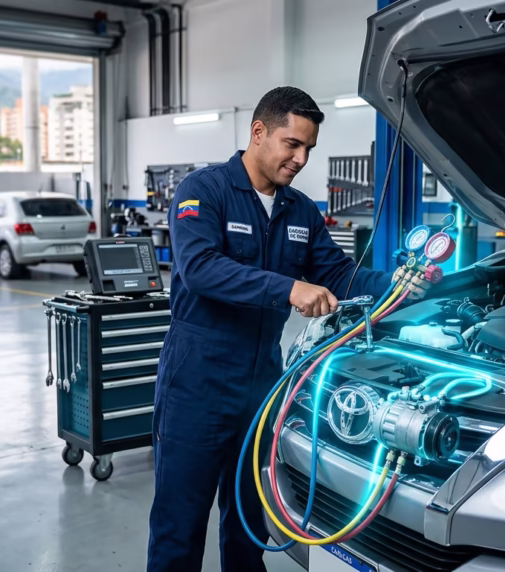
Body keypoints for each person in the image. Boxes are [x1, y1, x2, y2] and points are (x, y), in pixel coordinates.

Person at [145, 86, 429, 572]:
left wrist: (397, 284)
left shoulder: (299, 210)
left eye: (308, 149)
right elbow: (199, 268)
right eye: (291, 145)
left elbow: (339, 273)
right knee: (179, 525)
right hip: (197, 384)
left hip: (262, 385)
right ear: (258, 133)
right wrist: (288, 288)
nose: (300, 159)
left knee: (248, 521)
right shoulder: (204, 190)